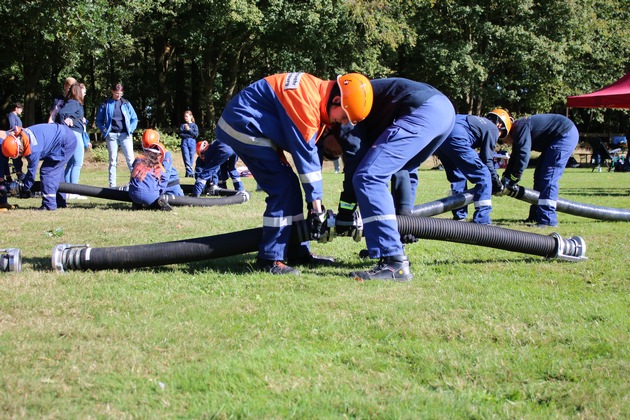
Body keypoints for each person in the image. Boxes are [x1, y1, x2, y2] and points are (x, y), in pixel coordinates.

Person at [215, 72, 373, 275]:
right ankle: (270, 259)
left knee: (289, 185)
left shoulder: (317, 96)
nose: (342, 123)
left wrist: (314, 205)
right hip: (242, 124)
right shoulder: (305, 102)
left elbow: (313, 152)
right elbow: (306, 159)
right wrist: (317, 209)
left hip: (254, 125)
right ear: (336, 100)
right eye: (343, 117)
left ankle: (298, 252)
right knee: (282, 187)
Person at [330, 77, 456, 281]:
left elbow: (354, 162)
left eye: (332, 152)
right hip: (444, 111)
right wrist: (405, 218)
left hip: (420, 109)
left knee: (368, 177)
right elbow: (402, 171)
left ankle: (393, 263)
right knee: (401, 166)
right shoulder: (366, 100)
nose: (337, 154)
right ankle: (393, 246)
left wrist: (345, 210)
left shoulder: (344, 113)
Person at [498, 114, 580, 227]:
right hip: (556, 137)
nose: (505, 143)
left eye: (502, 140)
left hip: (564, 135)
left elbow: (523, 156)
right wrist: (506, 177)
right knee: (539, 175)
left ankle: (548, 220)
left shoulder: (520, 127)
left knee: (548, 176)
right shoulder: (518, 131)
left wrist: (514, 178)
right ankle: (535, 216)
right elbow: (515, 157)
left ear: (506, 131)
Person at [434, 109, 512, 224]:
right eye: (502, 134)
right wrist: (496, 181)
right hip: (457, 138)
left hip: (440, 139)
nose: (498, 137)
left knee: (458, 177)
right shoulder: (492, 128)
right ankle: (482, 220)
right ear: (500, 125)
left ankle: (459, 216)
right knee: (484, 175)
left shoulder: (474, 120)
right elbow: (487, 160)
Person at [0, 124, 77, 211]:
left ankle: (49, 205)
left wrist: (24, 188)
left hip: (65, 141)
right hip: (63, 135)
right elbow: (16, 158)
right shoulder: (20, 137)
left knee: (48, 171)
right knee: (57, 172)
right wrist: (20, 174)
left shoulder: (34, 149)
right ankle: (60, 202)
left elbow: (31, 174)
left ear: (20, 149)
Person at [96, 83, 138, 187]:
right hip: (111, 136)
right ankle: (112, 186)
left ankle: (135, 183)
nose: (118, 95)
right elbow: (99, 121)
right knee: (113, 161)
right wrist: (105, 130)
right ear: (112, 92)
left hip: (125, 135)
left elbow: (134, 118)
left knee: (130, 160)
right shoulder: (105, 104)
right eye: (116, 93)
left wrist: (131, 129)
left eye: (120, 93)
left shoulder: (126, 103)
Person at [128, 130, 178, 211]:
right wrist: (159, 193)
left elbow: (134, 174)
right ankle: (157, 204)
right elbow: (164, 178)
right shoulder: (159, 166)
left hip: (133, 194)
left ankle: (137, 203)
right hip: (154, 192)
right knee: (153, 198)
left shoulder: (138, 159)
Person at [59, 83, 90, 197]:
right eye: (84, 91)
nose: (85, 93)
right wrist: (64, 120)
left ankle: (67, 190)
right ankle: (74, 191)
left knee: (71, 163)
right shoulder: (75, 103)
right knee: (77, 163)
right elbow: (62, 113)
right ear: (78, 91)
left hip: (73, 133)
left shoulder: (75, 103)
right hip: (75, 134)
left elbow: (67, 114)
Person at [140, 129, 184, 197]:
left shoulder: (166, 154)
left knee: (180, 199)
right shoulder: (144, 156)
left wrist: (159, 189)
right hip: (155, 184)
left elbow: (165, 174)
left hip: (170, 183)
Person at [178, 110, 199, 178]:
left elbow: (195, 135)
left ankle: (188, 172)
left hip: (192, 142)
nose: (185, 118)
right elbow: (181, 134)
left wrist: (189, 130)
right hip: (184, 142)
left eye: (186, 116)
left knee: (191, 158)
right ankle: (190, 173)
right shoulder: (182, 125)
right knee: (186, 157)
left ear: (191, 116)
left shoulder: (194, 126)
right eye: (184, 116)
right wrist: (189, 135)